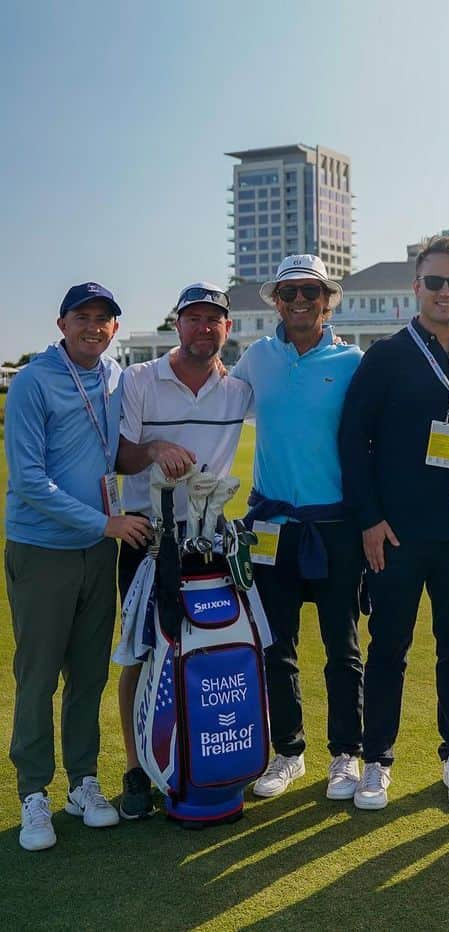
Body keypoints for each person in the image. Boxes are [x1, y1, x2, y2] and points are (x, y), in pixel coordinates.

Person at [339, 237, 449, 809]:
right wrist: (370, 521)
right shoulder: (385, 356)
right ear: (416, 288)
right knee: (389, 650)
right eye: (435, 282)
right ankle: (377, 759)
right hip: (396, 535)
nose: (445, 293)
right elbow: (353, 443)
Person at [6, 283, 153, 851]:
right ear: (62, 322)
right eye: (83, 317)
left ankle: (83, 782)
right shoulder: (33, 382)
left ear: (115, 328)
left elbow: (117, 451)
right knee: (39, 676)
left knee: (89, 673)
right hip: (45, 546)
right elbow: (28, 481)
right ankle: (33, 792)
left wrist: (157, 448)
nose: (94, 327)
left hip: (96, 550)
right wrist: (105, 525)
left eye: (104, 319)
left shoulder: (116, 377)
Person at [111, 282, 253, 819]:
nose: (203, 328)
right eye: (192, 319)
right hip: (147, 541)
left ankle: (193, 761)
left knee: (203, 654)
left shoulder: (238, 390)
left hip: (211, 544)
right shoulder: (141, 379)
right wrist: (154, 449)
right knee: (141, 653)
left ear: (227, 328)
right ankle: (134, 768)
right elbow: (121, 457)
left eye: (213, 319)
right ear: (177, 325)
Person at [231, 255, 365, 802]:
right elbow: (214, 403)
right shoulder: (256, 357)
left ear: (328, 299)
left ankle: (346, 754)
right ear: (277, 302)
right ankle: (289, 752)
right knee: (276, 646)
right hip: (270, 526)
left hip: (334, 526)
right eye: (290, 294)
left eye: (312, 292)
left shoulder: (354, 361)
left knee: (343, 647)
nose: (301, 301)